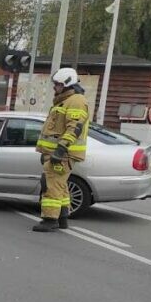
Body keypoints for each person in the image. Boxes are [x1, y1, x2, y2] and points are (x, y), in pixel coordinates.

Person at [33, 67, 90, 233]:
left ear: (67, 84)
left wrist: (60, 150)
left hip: (63, 153)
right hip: (57, 152)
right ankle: (62, 217)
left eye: (57, 84)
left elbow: (74, 128)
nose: (54, 87)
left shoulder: (76, 101)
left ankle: (49, 219)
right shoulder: (66, 101)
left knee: (52, 185)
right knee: (61, 186)